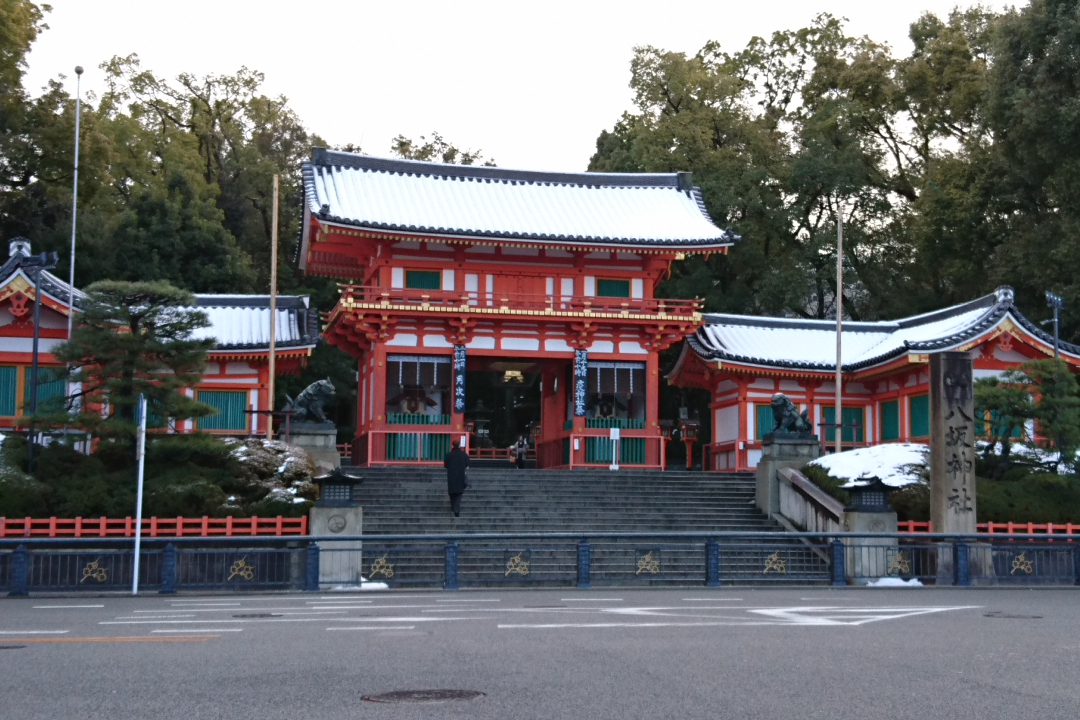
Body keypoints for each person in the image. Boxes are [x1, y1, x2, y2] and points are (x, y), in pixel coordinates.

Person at [443, 437, 470, 517]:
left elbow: (446, 465)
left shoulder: (448, 455)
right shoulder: (464, 455)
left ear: (452, 445)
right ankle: (456, 510)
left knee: (452, 493)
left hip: (451, 476)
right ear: (459, 446)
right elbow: (467, 465)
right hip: (460, 476)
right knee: (459, 493)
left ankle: (453, 507)